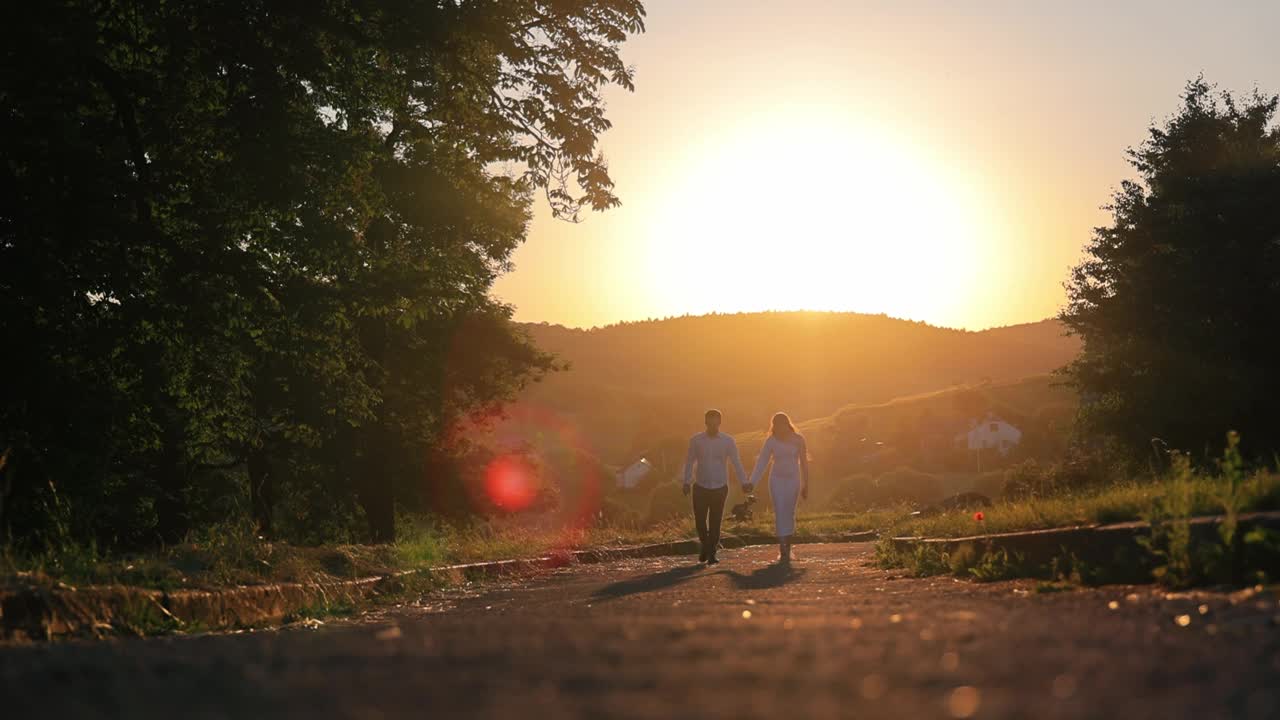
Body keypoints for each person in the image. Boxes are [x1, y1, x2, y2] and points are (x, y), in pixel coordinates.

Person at [682, 409, 752, 565]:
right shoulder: (696, 440)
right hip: (700, 486)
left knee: (715, 521)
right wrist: (686, 482)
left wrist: (744, 482)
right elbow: (689, 462)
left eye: (716, 422)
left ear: (720, 423)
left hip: (720, 487)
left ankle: (711, 552)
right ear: (706, 423)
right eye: (710, 422)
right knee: (700, 520)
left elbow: (736, 462)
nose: (713, 426)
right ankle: (705, 546)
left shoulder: (728, 441)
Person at [749, 412, 809, 563]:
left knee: (789, 512)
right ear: (774, 426)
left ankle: (788, 547)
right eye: (776, 425)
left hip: (793, 480)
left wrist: (805, 484)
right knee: (780, 511)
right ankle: (782, 548)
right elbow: (762, 462)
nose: (779, 428)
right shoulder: (771, 441)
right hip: (776, 480)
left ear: (787, 424)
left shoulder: (798, 439)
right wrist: (752, 482)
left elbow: (804, 463)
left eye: (781, 424)